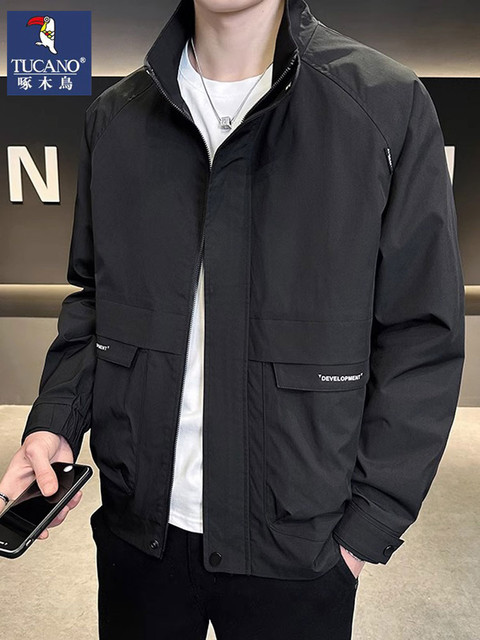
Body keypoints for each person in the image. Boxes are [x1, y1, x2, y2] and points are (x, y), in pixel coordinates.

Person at [0, 0, 465, 638]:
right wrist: (56, 421)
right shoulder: (114, 118)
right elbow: (97, 301)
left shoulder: (385, 105)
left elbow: (422, 334)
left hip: (299, 549)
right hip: (138, 534)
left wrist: (367, 528)